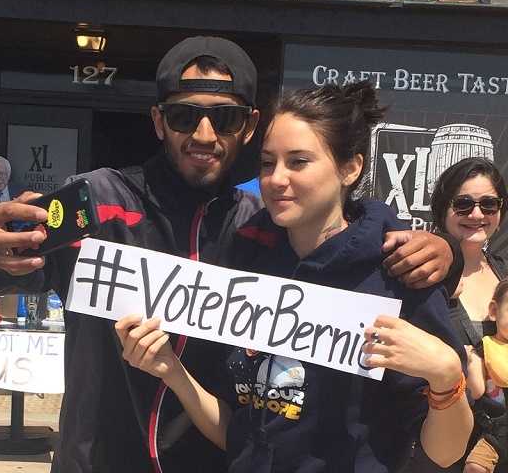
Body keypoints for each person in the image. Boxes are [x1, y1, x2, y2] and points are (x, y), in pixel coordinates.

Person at [0, 38, 458, 473]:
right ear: (159, 121)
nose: (203, 134)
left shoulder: (259, 225)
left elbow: (342, 231)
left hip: (215, 457)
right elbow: (7, 271)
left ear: (248, 126)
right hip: (99, 458)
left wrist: (444, 249)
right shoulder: (98, 199)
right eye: (184, 115)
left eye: (223, 117)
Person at [116, 81, 473, 472]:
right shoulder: (249, 264)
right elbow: (238, 436)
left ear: (350, 168)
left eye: (298, 161)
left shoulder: (398, 274)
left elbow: (445, 453)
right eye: (268, 163)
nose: (276, 179)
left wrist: (446, 376)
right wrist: (172, 370)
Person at [431, 157, 508, 473]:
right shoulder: (423, 281)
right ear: (442, 208)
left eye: (488, 204)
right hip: (441, 448)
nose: (477, 214)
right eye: (463, 204)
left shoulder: (504, 273)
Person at [465, 278, 508, 473]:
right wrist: (473, 360)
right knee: (475, 466)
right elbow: (476, 391)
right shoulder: (485, 348)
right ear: (494, 311)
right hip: (497, 430)